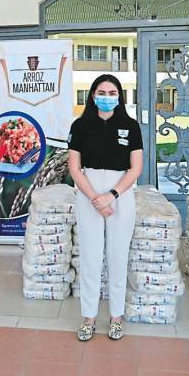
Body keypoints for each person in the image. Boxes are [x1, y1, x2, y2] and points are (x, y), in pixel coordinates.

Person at [67, 74, 143, 341]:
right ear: (92, 95)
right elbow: (74, 168)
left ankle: (116, 317)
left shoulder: (130, 126)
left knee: (118, 257)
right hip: (88, 192)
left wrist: (111, 195)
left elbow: (136, 168)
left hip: (120, 192)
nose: (107, 97)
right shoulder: (80, 125)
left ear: (119, 96)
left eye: (112, 93)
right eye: (102, 92)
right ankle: (88, 317)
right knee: (90, 256)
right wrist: (94, 197)